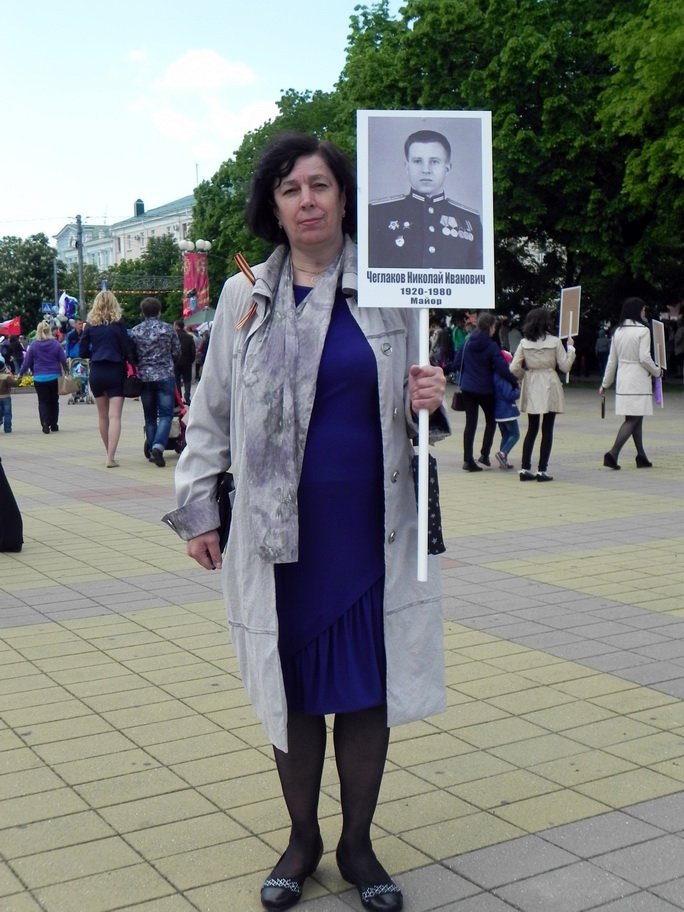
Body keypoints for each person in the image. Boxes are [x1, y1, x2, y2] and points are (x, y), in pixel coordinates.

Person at [161, 132, 449, 912]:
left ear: (346, 198)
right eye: (290, 189)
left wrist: (431, 397)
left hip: (368, 530)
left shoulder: (393, 287)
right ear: (275, 206)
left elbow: (418, 418)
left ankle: (357, 845)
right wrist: (199, 510)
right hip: (275, 536)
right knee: (289, 691)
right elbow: (211, 413)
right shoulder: (244, 295)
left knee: (365, 693)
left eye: (320, 185)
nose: (307, 201)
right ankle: (302, 839)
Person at [368, 129, 483, 269]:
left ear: (447, 168)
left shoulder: (470, 220)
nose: (426, 170)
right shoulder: (378, 213)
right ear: (407, 167)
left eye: (434, 161)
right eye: (417, 161)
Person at [510, 306, 576, 481]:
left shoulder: (524, 343)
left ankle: (525, 468)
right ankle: (542, 470)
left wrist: (525, 376)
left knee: (531, 428)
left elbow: (514, 367)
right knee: (547, 429)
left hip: (532, 380)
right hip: (550, 381)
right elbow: (565, 366)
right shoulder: (555, 342)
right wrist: (571, 349)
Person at [599, 297, 662, 469]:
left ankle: (641, 456)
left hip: (623, 378)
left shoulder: (618, 331)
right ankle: (613, 453)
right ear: (637, 311)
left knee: (634, 418)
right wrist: (657, 371)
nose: (644, 313)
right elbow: (644, 357)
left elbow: (612, 361)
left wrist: (605, 384)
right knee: (634, 418)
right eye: (643, 310)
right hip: (638, 379)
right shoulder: (643, 330)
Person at [453, 312, 518, 472]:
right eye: (494, 327)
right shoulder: (491, 346)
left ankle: (468, 461)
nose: (494, 330)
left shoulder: (467, 342)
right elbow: (502, 368)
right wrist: (513, 381)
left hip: (468, 389)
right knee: (490, 421)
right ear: (489, 327)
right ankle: (484, 454)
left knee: (470, 424)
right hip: (486, 390)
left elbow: (456, 363)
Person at [79, 291, 132, 468]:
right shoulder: (119, 323)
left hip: (97, 371)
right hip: (115, 369)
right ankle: (110, 457)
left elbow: (82, 351)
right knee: (115, 416)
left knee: (102, 416)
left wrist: (96, 353)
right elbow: (126, 348)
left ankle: (108, 453)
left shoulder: (90, 325)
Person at [130, 298, 180, 468]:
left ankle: (153, 450)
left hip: (145, 377)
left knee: (150, 416)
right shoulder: (168, 329)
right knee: (166, 415)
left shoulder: (135, 331)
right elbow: (176, 351)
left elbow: (132, 355)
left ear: (142, 312)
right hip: (165, 375)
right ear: (159, 311)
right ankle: (159, 446)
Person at [19, 321, 67, 433]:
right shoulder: (56, 344)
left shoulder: (34, 345)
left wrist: (21, 373)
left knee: (43, 402)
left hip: (39, 378)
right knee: (54, 401)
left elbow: (27, 362)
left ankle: (45, 423)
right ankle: (54, 424)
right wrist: (66, 370)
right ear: (49, 331)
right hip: (54, 377)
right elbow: (63, 359)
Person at [493, 350, 520, 469]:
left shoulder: (494, 374)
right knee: (515, 434)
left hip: (498, 411)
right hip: (507, 411)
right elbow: (509, 395)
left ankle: (503, 460)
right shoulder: (504, 377)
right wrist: (519, 390)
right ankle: (502, 453)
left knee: (505, 434)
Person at [173, 319, 196, 405]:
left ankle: (179, 397)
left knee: (177, 380)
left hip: (176, 361)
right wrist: (191, 360)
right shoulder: (189, 337)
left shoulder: (174, 336)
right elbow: (193, 351)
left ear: (176, 326)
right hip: (187, 361)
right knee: (187, 380)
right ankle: (187, 397)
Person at [0, 355, 18, 432]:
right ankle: (7, 429)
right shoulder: (7, 377)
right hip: (6, 397)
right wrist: (19, 379)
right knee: (7, 413)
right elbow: (14, 383)